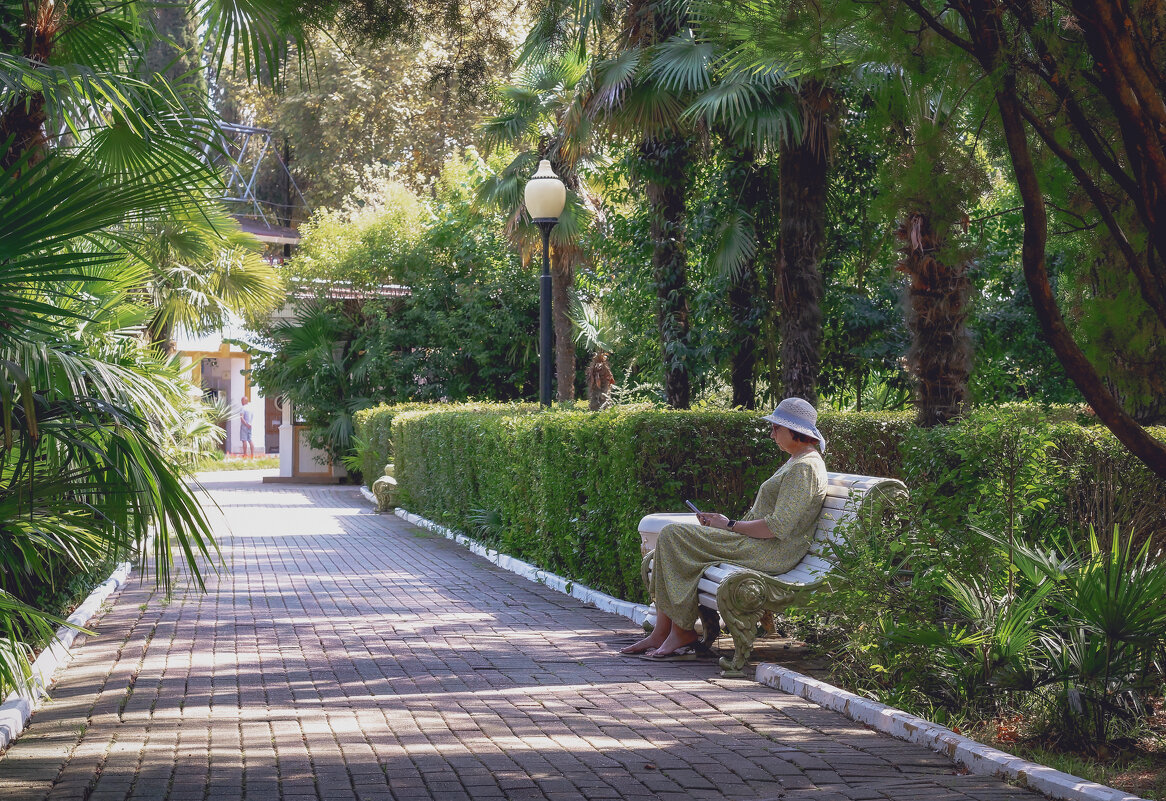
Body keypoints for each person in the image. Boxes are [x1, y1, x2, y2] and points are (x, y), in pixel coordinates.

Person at [620, 397, 829, 660]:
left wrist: (729, 525)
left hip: (772, 552)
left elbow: (777, 527)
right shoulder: (797, 461)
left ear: (797, 432)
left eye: (777, 427)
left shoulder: (805, 468)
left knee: (674, 535)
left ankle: (680, 631)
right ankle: (663, 631)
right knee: (671, 537)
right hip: (761, 545)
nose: (772, 433)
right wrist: (725, 524)